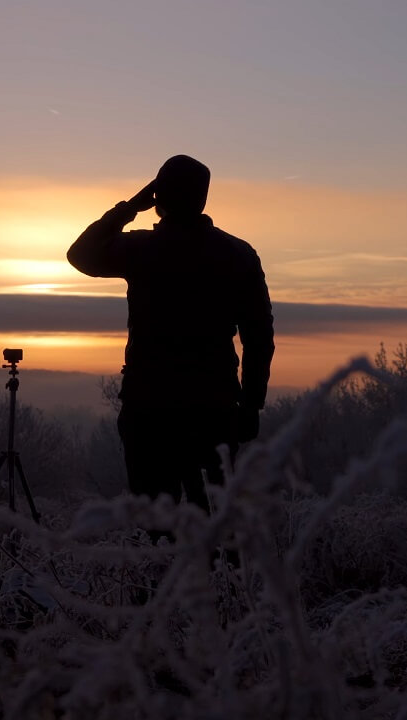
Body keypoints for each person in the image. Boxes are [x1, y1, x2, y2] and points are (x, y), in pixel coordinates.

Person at [67, 155, 274, 513]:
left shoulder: (142, 249)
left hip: (150, 408)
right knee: (215, 527)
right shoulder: (238, 254)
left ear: (159, 197)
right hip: (214, 408)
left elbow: (80, 254)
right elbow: (259, 337)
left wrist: (130, 206)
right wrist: (251, 404)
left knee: (155, 528)